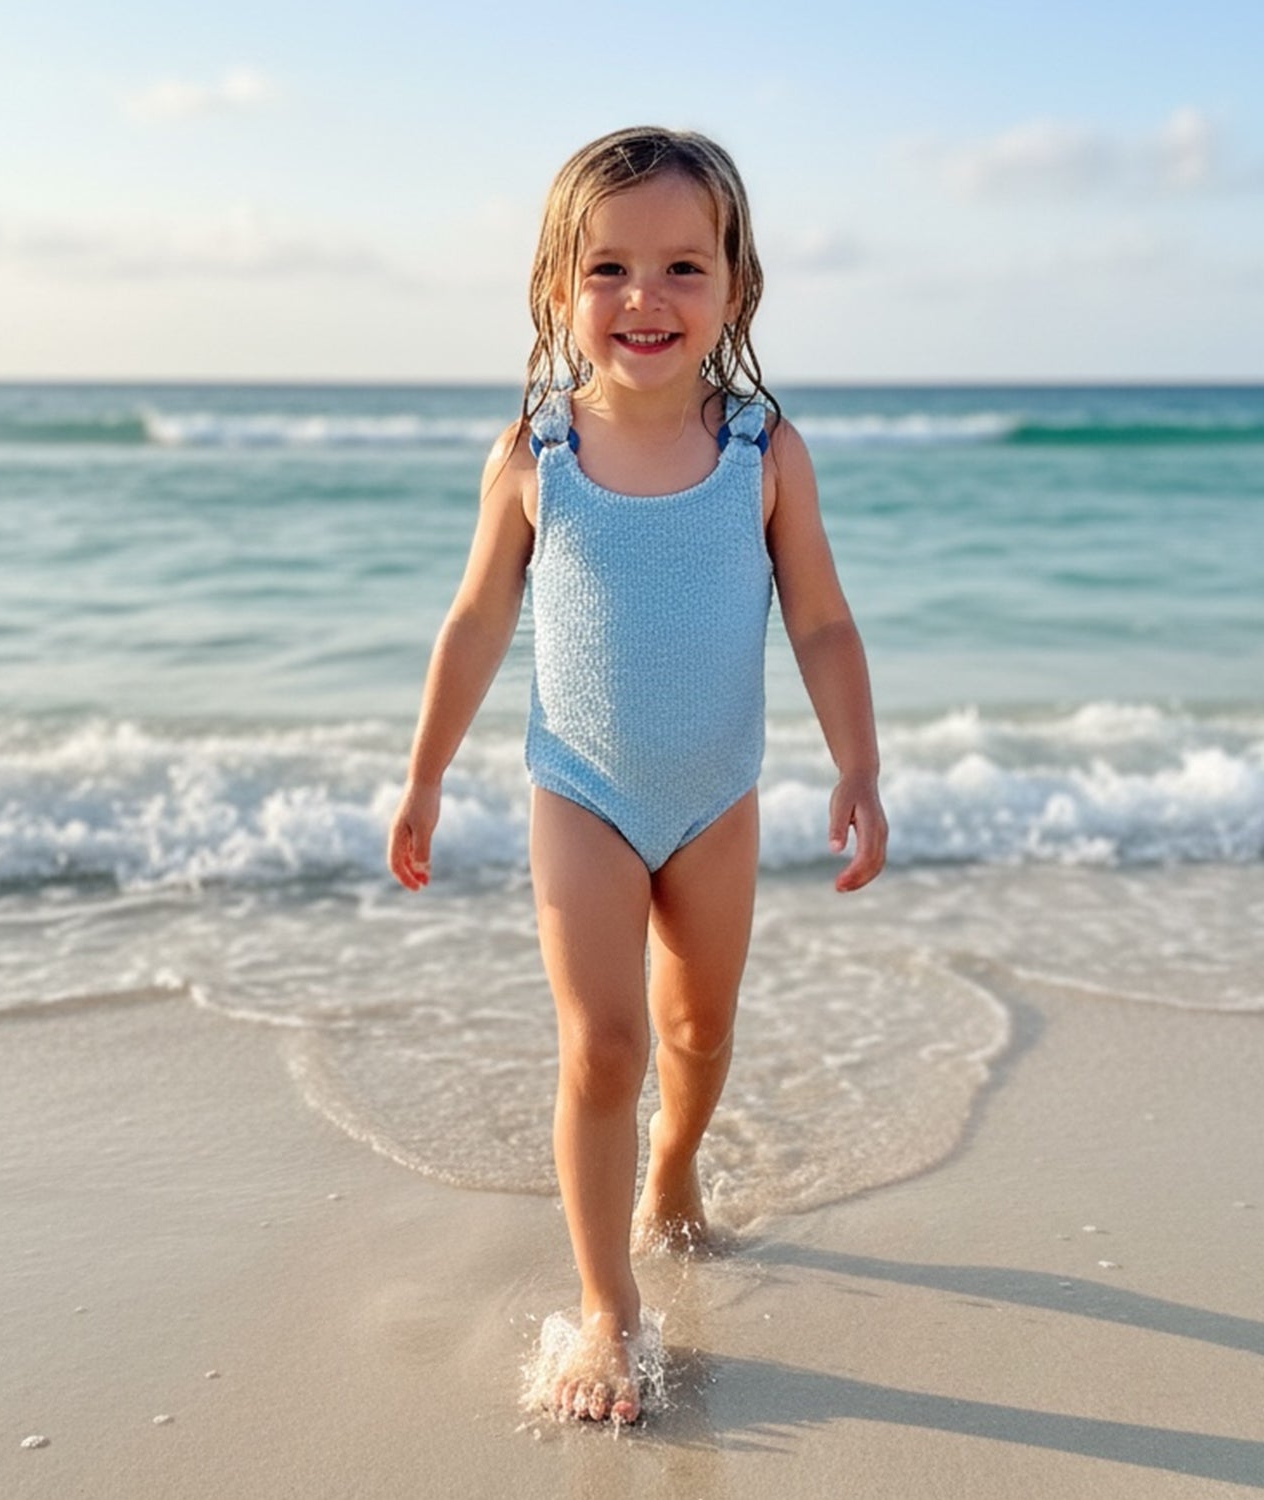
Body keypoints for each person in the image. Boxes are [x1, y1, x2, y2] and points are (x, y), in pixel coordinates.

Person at [386, 126, 887, 1425]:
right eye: (608, 268)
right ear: (560, 287)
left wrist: (860, 765)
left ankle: (676, 1168)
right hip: (582, 794)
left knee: (696, 1034)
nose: (645, 298)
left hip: (717, 796)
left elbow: (822, 621)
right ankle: (609, 1305)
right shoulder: (536, 456)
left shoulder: (761, 454)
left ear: (737, 287)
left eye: (682, 266)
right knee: (603, 1045)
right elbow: (477, 622)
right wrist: (427, 775)